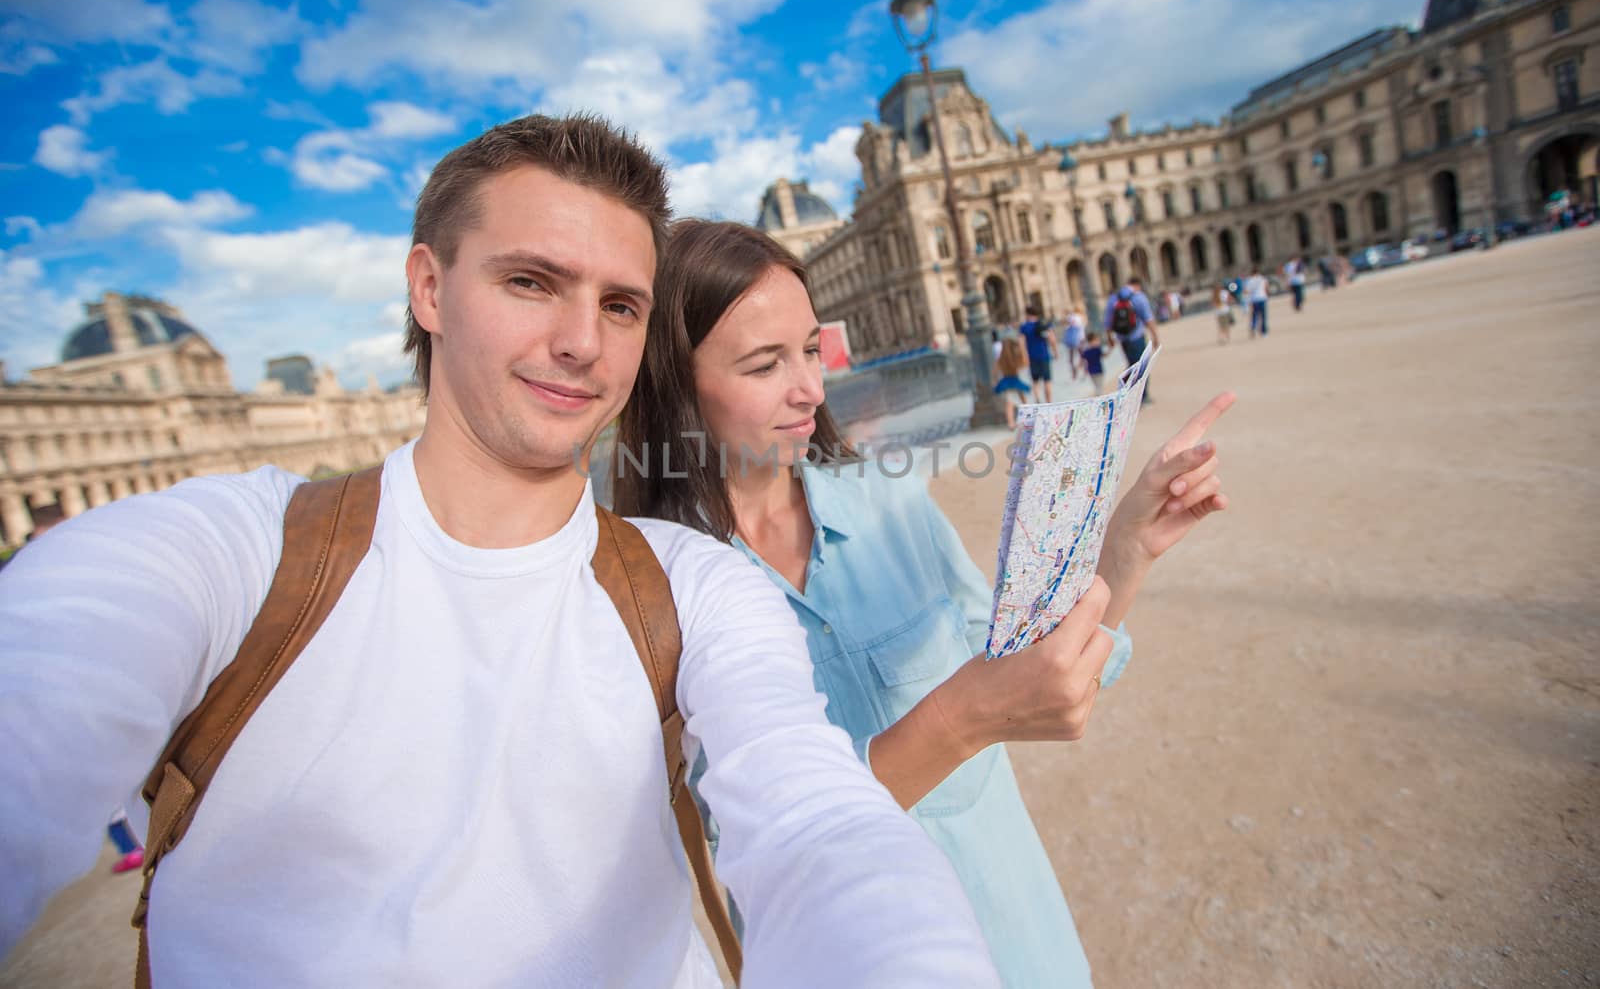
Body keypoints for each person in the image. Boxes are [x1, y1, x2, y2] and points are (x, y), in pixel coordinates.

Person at [0, 116, 1000, 986]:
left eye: (620, 304)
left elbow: (815, 820)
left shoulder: (692, 583)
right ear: (428, 288)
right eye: (531, 281)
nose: (582, 341)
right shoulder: (232, 555)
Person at [615, 219, 1235, 988]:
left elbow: (1028, 668)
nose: (810, 386)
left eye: (810, 349)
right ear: (675, 386)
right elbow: (762, 842)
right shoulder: (652, 591)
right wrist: (962, 714)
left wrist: (1126, 548)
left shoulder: (890, 499)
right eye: (763, 363)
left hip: (1017, 940)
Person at [1104, 278, 1158, 405]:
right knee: (1142, 366)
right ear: (1137, 285)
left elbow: (1107, 322)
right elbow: (1148, 318)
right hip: (1137, 337)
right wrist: (1155, 336)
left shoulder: (1113, 298)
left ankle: (1130, 394)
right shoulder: (1139, 297)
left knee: (1131, 365)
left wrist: (1110, 338)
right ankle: (1142, 397)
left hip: (1122, 339)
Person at [1018, 305, 1055, 403]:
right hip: (1044, 355)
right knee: (1047, 381)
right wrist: (1055, 351)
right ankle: (1049, 402)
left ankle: (1037, 400)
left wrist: (1024, 357)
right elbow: (1052, 339)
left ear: (1027, 314)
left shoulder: (1024, 327)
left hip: (1032, 357)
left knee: (1035, 381)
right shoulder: (1044, 324)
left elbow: (1021, 343)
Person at [993, 336, 1032, 428]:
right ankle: (1028, 417)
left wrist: (995, 381)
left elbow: (995, 372)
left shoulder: (1001, 359)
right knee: (1023, 399)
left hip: (1006, 382)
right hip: (1016, 380)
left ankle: (1010, 422)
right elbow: (1026, 363)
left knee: (1009, 402)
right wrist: (1023, 347)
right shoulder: (1016, 358)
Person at [1245, 267, 1270, 338]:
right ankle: (1264, 332)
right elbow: (1266, 288)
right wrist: (1267, 295)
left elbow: (1246, 291)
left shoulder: (1249, 280)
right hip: (1262, 298)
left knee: (1254, 316)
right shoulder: (1262, 278)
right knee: (1263, 316)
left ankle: (1253, 329)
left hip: (1254, 300)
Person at [1062, 311, 1086, 380]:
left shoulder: (1070, 317)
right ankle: (1084, 370)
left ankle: (1074, 373)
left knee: (1072, 358)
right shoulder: (1079, 316)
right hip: (1080, 339)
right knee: (1082, 356)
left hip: (1072, 340)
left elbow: (1065, 325)